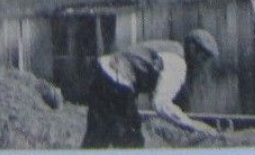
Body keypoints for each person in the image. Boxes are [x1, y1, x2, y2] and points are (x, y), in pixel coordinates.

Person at [81, 29, 220, 148]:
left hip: (102, 70)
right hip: (118, 80)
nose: (203, 64)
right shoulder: (177, 63)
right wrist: (194, 126)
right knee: (132, 141)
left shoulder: (170, 47)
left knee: (96, 138)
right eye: (203, 57)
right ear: (193, 49)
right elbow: (161, 105)